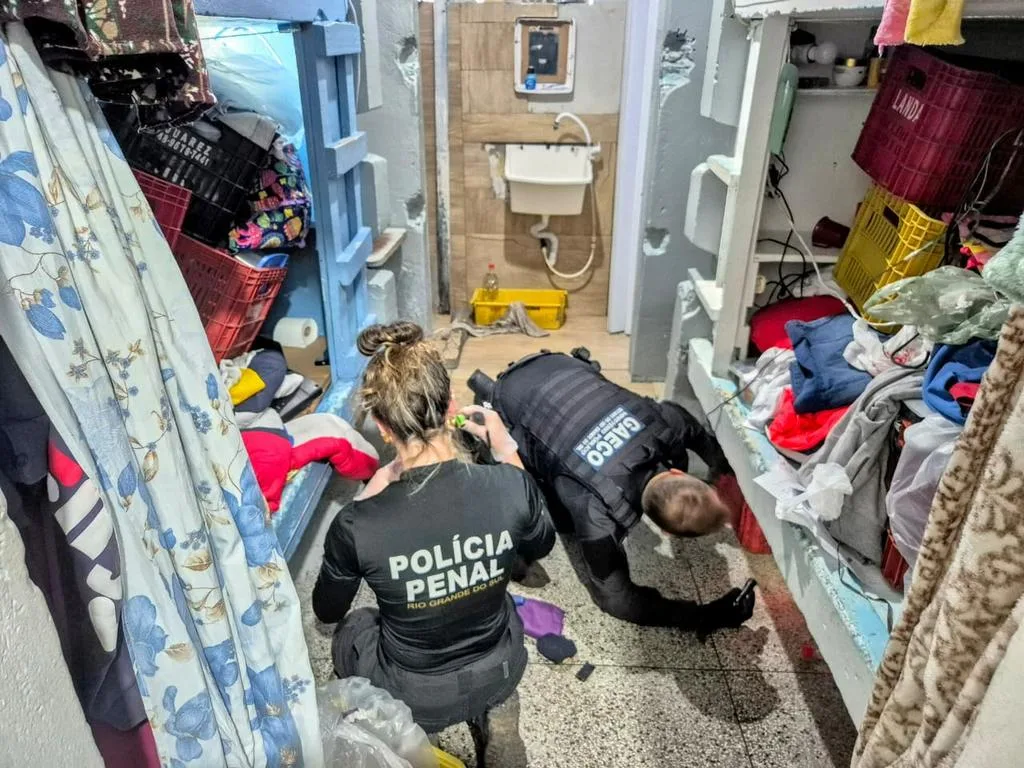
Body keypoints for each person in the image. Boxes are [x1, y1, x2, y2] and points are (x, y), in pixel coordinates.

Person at [312, 322, 555, 767]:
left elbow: (327, 610)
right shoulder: (509, 485)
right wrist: (505, 449)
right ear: (451, 407)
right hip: (499, 665)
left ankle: (410, 731)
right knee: (500, 606)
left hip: (414, 690)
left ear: (383, 428)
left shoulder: (356, 524)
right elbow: (541, 542)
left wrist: (364, 502)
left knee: (352, 628)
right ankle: (497, 709)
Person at [466, 348, 755, 635]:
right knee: (561, 522)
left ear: (679, 474)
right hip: (506, 399)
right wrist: (703, 616)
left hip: (556, 363)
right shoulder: (597, 511)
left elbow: (704, 439)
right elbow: (616, 601)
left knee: (568, 491)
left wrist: (721, 472)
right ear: (666, 532)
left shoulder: (667, 423)